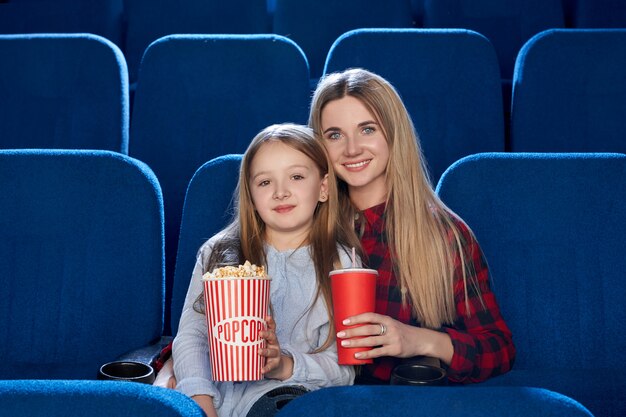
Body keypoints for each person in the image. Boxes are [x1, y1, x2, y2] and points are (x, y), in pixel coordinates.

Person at [308, 68, 516, 384]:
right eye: (334, 135)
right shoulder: (307, 226)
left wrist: (417, 340)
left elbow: (499, 349)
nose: (351, 149)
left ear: (394, 134)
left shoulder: (444, 234)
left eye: (367, 130)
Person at [170, 123, 362, 417]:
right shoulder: (219, 254)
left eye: (296, 177)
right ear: (251, 193)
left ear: (323, 188)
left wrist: (285, 364)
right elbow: (191, 338)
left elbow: (346, 369)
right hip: (217, 402)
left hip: (297, 399)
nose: (280, 192)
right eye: (265, 182)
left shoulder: (342, 264)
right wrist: (200, 402)